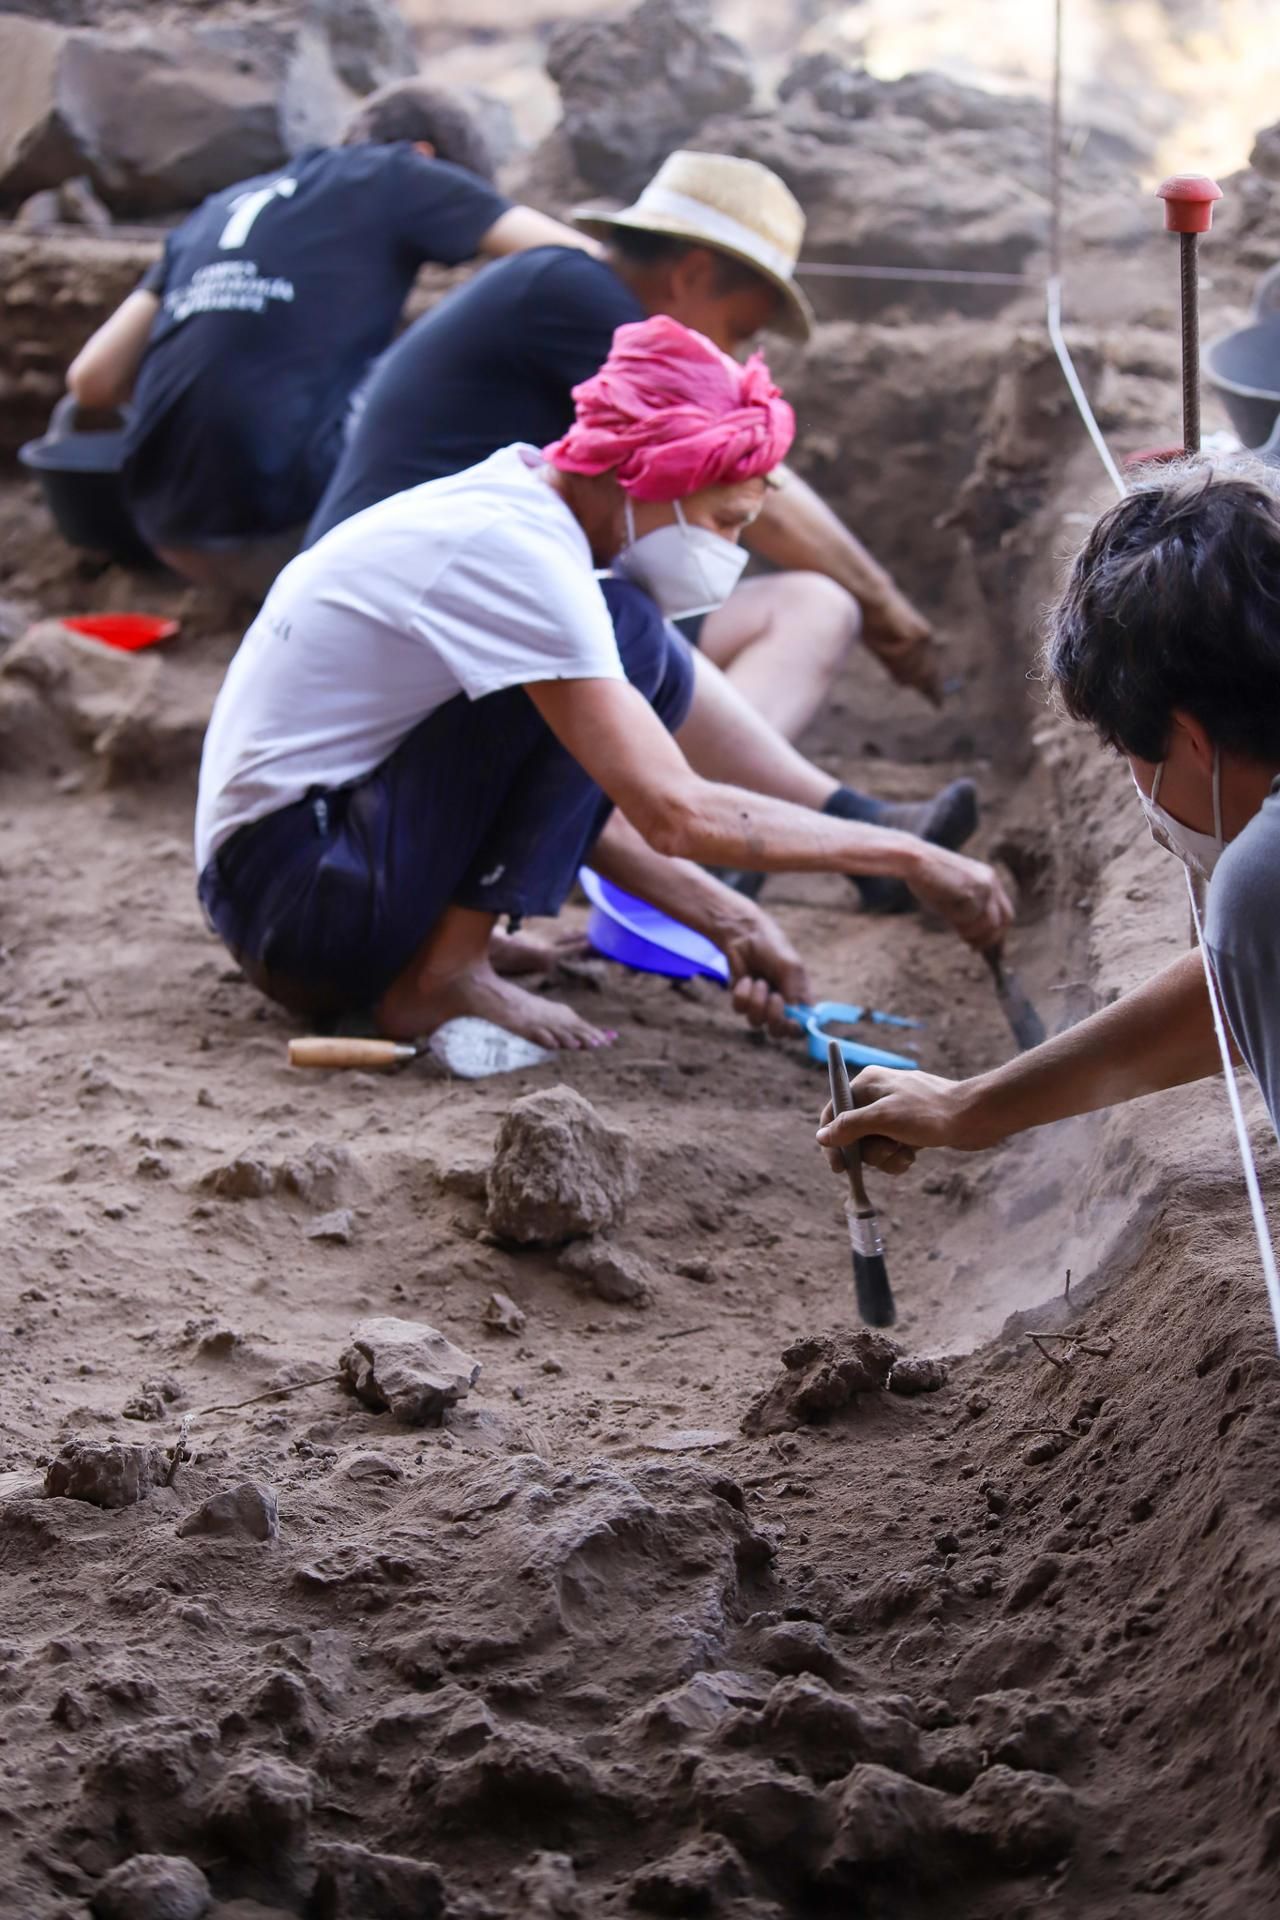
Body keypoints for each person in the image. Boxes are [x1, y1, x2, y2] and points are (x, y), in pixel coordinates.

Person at [195, 316, 1012, 1051]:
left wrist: (728, 915)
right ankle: (443, 975)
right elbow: (674, 813)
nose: (730, 550)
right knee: (630, 636)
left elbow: (569, 792)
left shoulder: (519, 506)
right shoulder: (523, 556)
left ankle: (442, 950)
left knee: (635, 650)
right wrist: (908, 856)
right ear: (647, 475)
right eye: (724, 520)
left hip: (287, 887)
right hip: (302, 898)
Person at [305, 150, 944, 745]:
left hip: (431, 611)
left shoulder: (556, 289)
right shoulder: (579, 297)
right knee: (806, 609)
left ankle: (716, 804)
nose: (729, 356)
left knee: (807, 608)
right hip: (405, 630)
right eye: (737, 329)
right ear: (692, 274)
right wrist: (884, 606)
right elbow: (751, 478)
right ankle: (704, 811)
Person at [816, 459, 1280, 1180]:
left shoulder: (1262, 877)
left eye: (1127, 749)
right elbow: (1251, 977)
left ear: (1190, 738)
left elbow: (1258, 938)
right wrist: (971, 1107)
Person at [65, 79, 597, 600]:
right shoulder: (399, 172)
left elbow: (91, 380)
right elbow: (585, 265)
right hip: (298, 527)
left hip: (167, 528)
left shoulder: (217, 209)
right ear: (426, 158)